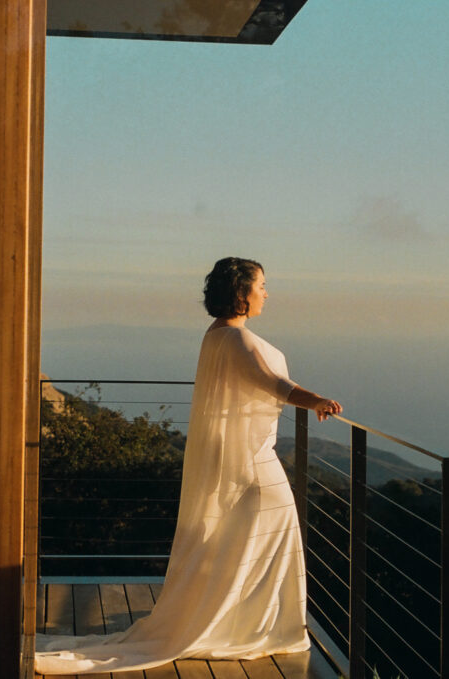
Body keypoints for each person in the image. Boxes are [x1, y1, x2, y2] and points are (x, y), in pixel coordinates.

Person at [35, 257, 342, 674]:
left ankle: (252, 624)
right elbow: (276, 385)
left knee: (243, 547)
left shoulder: (215, 336)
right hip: (254, 467)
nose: (267, 293)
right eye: (262, 286)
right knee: (266, 542)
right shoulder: (238, 341)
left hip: (241, 463)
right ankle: (259, 628)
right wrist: (319, 401)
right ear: (241, 293)